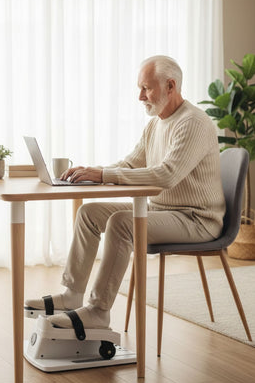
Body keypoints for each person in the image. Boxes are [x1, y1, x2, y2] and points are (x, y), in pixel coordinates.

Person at [25, 55, 225, 331]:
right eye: (139, 88)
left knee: (122, 223)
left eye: (146, 88)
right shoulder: (156, 123)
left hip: (196, 220)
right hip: (163, 212)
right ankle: (71, 295)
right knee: (89, 212)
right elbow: (131, 163)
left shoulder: (193, 123)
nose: (140, 96)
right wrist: (93, 172)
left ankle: (98, 310)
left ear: (170, 85)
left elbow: (167, 175)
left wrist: (105, 175)